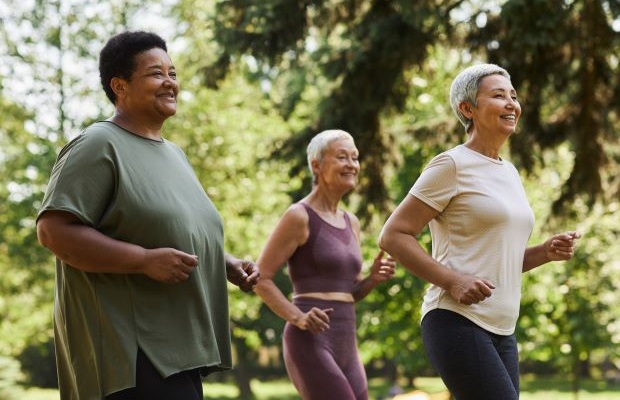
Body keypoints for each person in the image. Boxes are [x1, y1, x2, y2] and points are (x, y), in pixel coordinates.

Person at [36, 31, 259, 400]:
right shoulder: (97, 144)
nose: (170, 82)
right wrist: (142, 261)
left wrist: (226, 264)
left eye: (172, 73)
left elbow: (173, 232)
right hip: (130, 355)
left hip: (180, 348)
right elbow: (54, 232)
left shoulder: (175, 155)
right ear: (119, 86)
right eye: (156, 73)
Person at [378, 63, 580, 400]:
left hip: (503, 328)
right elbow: (393, 235)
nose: (512, 104)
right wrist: (453, 281)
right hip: (456, 320)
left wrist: (544, 252)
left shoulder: (510, 173)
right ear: (468, 109)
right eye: (498, 96)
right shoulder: (451, 165)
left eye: (513, 96)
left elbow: (498, 261)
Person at [254, 129, 396, 400]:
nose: (352, 165)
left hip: (346, 338)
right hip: (309, 338)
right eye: (342, 157)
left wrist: (372, 280)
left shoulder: (351, 222)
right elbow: (261, 278)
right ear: (316, 165)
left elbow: (348, 293)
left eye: (354, 158)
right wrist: (297, 316)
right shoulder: (299, 216)